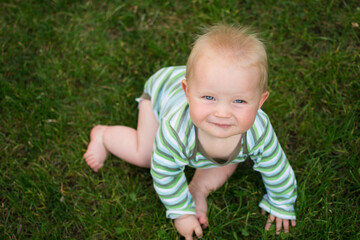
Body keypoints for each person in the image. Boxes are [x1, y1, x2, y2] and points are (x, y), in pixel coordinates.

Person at [84, 24, 297, 239]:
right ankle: (104, 135)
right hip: (162, 93)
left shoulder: (258, 130)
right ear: (188, 92)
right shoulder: (175, 131)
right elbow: (164, 173)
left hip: (202, 82)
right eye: (209, 98)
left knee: (229, 160)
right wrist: (181, 213)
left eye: (239, 101)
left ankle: (197, 189)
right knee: (145, 155)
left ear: (260, 101)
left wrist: (281, 201)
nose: (223, 113)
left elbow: (276, 164)